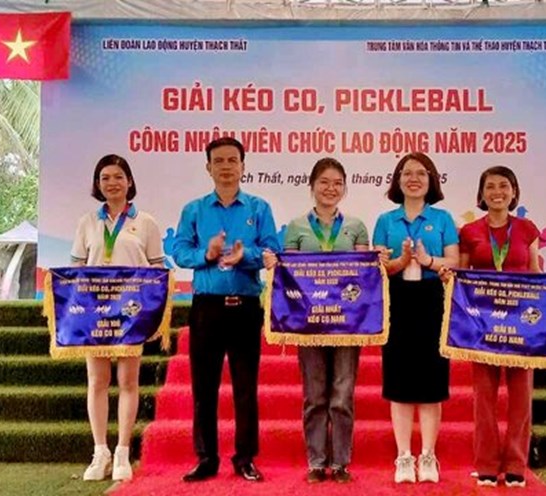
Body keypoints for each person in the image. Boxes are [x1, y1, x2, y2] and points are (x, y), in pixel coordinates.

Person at [173, 137, 280, 483]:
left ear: (243, 166)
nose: (226, 167)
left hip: (245, 307)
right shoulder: (194, 210)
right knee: (203, 387)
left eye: (232, 160)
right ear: (208, 167)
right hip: (206, 309)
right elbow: (179, 252)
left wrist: (243, 256)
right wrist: (207, 254)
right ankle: (206, 458)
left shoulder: (259, 208)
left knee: (246, 387)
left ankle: (245, 458)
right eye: (218, 161)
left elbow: (271, 252)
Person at [264, 158, 369, 484]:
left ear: (345, 188)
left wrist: (373, 260)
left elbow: (365, 276)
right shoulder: (296, 227)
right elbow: (290, 275)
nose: (331, 188)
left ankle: (340, 463)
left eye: (337, 182)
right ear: (312, 186)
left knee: (342, 394)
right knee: (314, 395)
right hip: (308, 323)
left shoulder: (356, 226)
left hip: (347, 325)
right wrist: (274, 265)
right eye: (324, 182)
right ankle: (315, 460)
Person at [70, 154, 165, 481]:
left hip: (130, 315)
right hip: (94, 314)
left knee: (127, 381)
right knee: (97, 381)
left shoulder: (146, 222)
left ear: (129, 182)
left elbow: (157, 269)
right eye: (105, 177)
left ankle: (123, 451)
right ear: (98, 184)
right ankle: (100, 452)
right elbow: (76, 270)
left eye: (118, 177)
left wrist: (151, 306)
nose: (112, 183)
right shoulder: (87, 222)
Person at [449, 165, 540, 489]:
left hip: (521, 326)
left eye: (504, 186)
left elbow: (535, 273)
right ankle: (486, 464)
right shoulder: (470, 231)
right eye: (490, 186)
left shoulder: (528, 229)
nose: (497, 192)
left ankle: (517, 464)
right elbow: (461, 275)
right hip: (482, 326)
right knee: (483, 398)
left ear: (514, 192)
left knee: (521, 396)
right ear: (482, 193)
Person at [372, 152, 459, 484]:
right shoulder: (385, 221)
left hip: (432, 300)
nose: (413, 178)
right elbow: (378, 267)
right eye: (406, 173)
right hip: (396, 302)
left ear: (431, 180)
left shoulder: (444, 218)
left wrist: (427, 260)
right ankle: (404, 456)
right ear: (397, 180)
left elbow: (455, 262)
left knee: (432, 381)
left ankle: (428, 455)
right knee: (399, 381)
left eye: (421, 173)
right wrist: (401, 260)